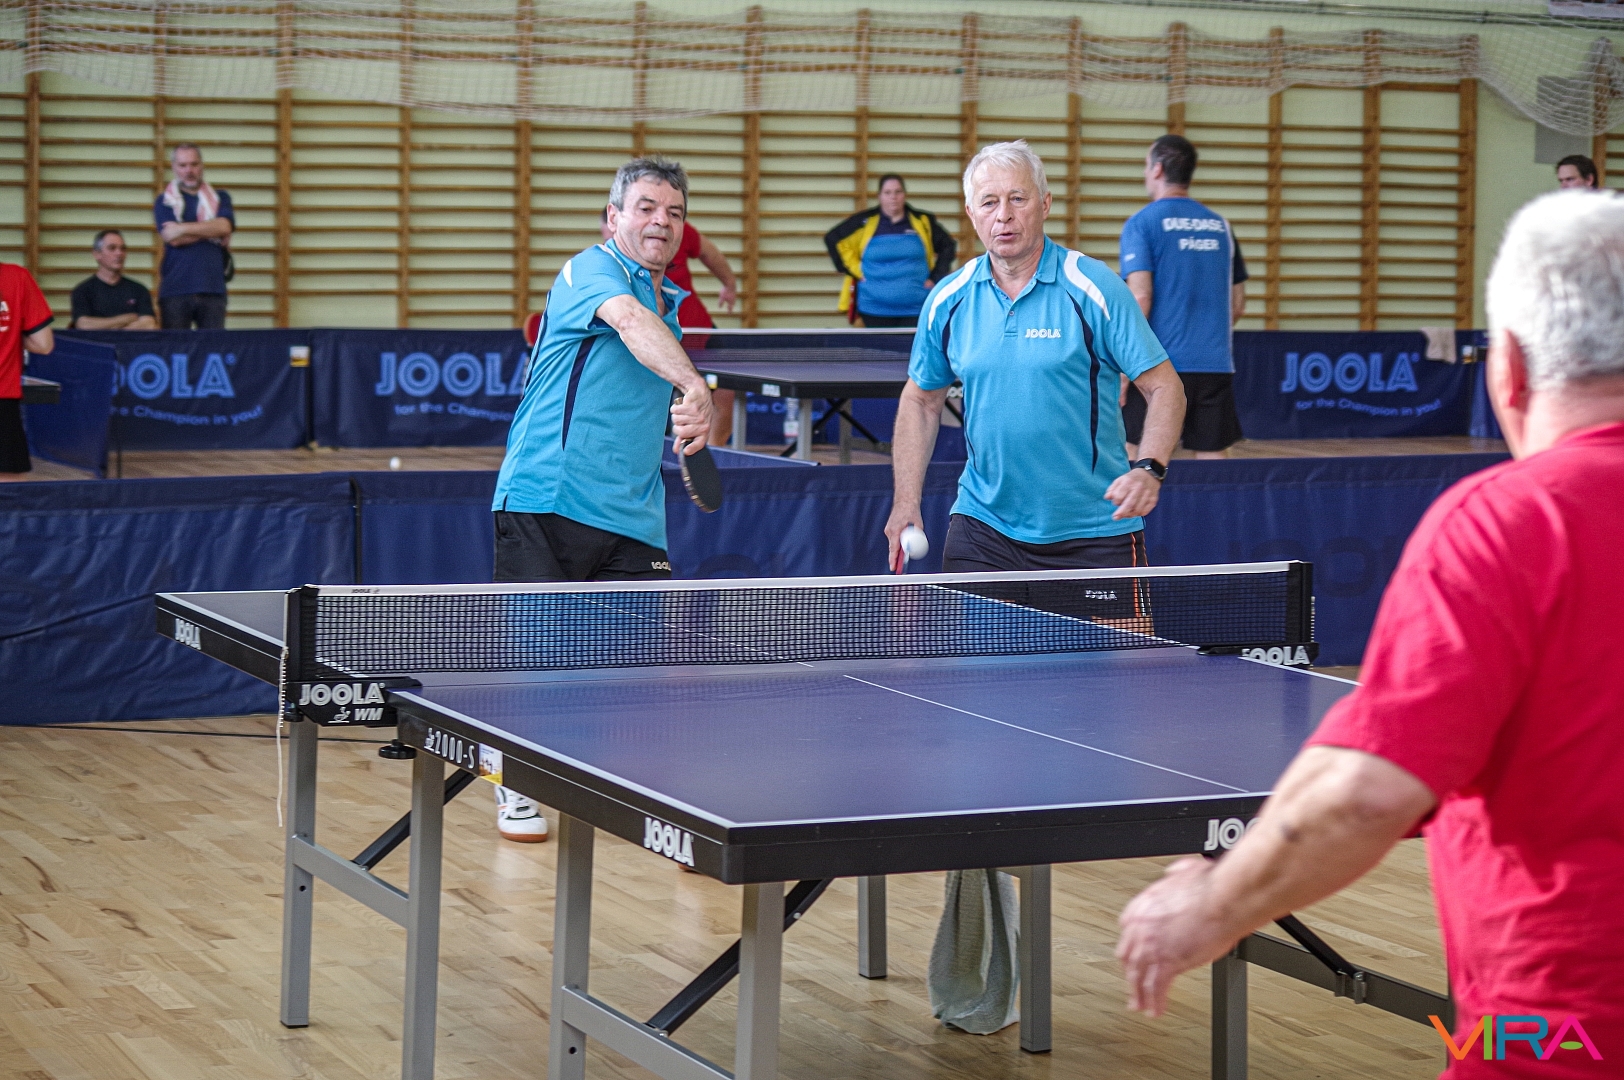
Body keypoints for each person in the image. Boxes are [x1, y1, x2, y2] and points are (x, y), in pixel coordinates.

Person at [1117, 189, 1624, 1076]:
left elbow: (1367, 793)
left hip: (1567, 1033)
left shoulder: (1506, 524)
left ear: (1506, 367)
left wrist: (1213, 904)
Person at [885, 140, 1184, 1033]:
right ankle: (989, 916)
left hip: (1093, 535)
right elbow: (919, 400)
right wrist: (905, 502)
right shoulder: (950, 298)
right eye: (988, 202)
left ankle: (1185, 895)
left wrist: (1149, 467)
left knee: (1111, 728)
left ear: (1045, 204)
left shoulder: (1091, 287)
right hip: (983, 531)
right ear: (970, 213)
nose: (1003, 215)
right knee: (973, 722)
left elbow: (1163, 386)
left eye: (1017, 198)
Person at [488, 156, 715, 843]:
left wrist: (687, 415)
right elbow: (629, 323)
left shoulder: (673, 306)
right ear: (613, 217)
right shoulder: (588, 271)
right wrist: (694, 384)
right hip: (547, 496)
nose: (661, 222)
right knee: (538, 663)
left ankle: (657, 800)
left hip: (635, 514)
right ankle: (515, 783)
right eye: (646, 208)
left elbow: (643, 387)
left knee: (640, 673)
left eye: (674, 212)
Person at [1120, 134, 1249, 460]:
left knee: (1136, 455)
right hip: (1214, 365)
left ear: (1158, 169)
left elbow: (1140, 298)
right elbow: (1237, 306)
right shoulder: (1222, 227)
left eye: (1146, 165)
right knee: (1213, 460)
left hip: (1156, 365)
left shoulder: (1142, 223)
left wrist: (1122, 368)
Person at [601, 205, 742, 442]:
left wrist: (729, 283)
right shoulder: (607, 266)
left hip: (699, 331)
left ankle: (715, 452)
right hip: (654, 340)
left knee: (725, 395)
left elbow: (709, 253)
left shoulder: (676, 233)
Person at [824, 174, 957, 327]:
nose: (893, 197)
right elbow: (833, 239)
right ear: (879, 196)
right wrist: (856, 271)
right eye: (887, 192)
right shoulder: (863, 222)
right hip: (873, 308)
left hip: (917, 307)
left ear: (904, 195)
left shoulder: (923, 221)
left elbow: (948, 246)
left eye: (898, 192)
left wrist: (936, 277)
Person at [154, 142, 234, 329]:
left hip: (213, 289)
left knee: (213, 345)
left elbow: (224, 226)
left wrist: (181, 228)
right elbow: (172, 238)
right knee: (175, 346)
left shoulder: (221, 198)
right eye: (183, 165)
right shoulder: (164, 200)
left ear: (202, 165)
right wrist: (210, 231)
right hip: (175, 290)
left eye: (194, 164)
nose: (189, 170)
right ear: (174, 167)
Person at [0, 262, 55, 478]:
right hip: (3, 403)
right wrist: (13, 335)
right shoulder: (17, 277)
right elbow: (44, 344)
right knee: (8, 487)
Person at [70, 230, 158, 330]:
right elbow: (83, 324)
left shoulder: (138, 290)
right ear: (97, 254)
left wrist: (113, 330)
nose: (119, 253)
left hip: (129, 341)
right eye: (112, 248)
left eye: (122, 249)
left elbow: (149, 324)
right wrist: (124, 319)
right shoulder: (83, 290)